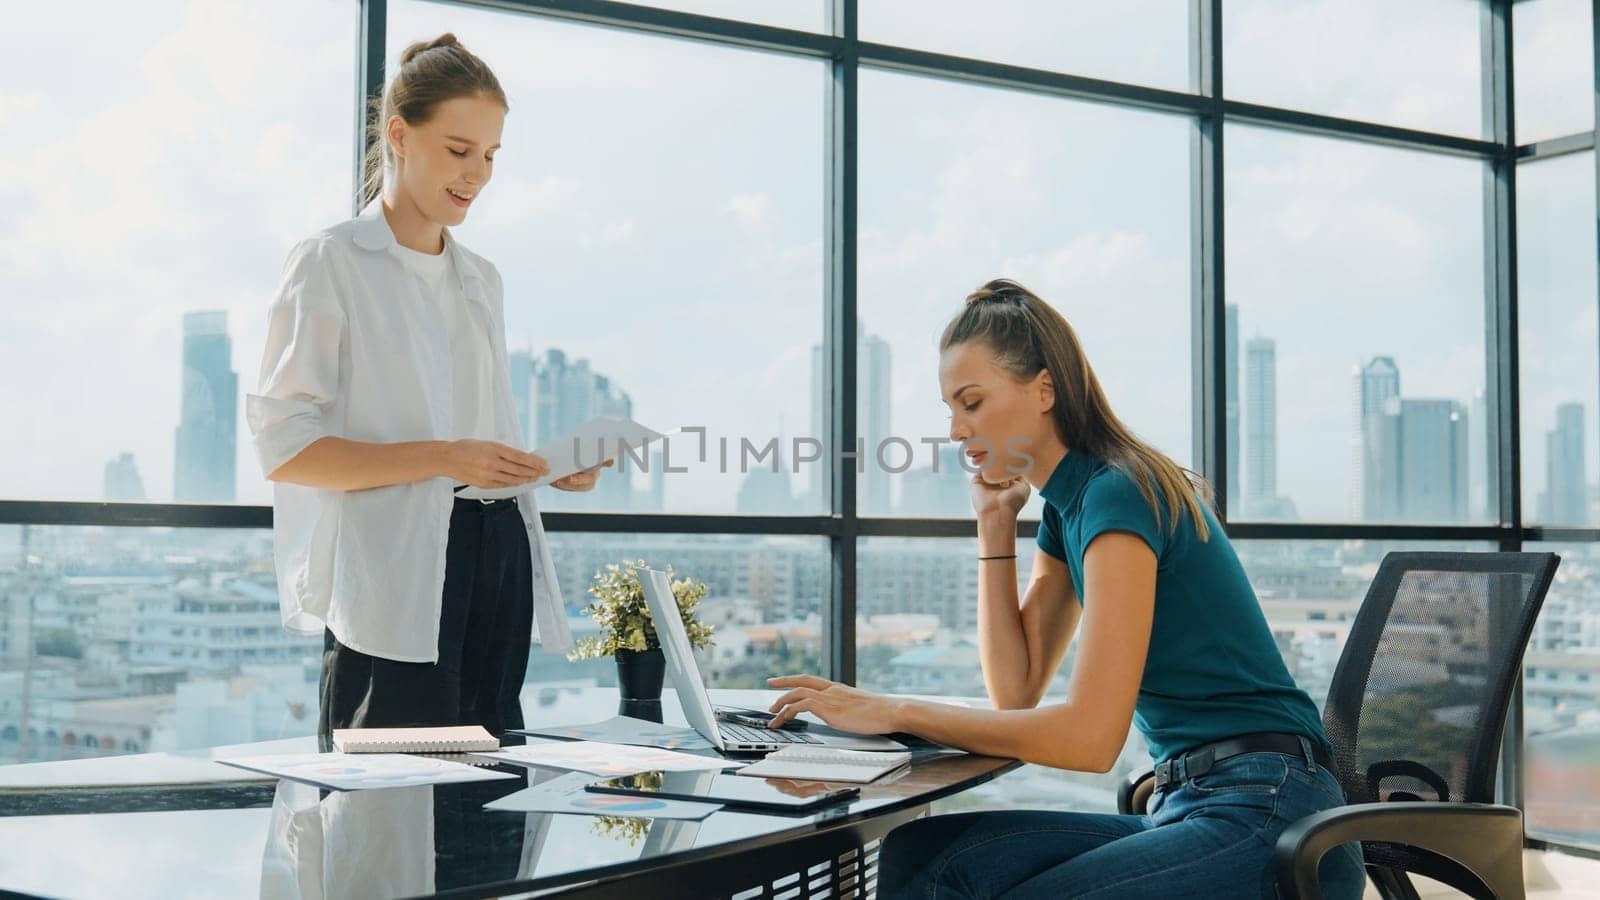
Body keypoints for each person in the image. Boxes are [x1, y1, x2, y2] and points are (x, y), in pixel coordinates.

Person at [765, 279, 1365, 898]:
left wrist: (893, 709)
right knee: (926, 857)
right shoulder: (1068, 508)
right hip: (1188, 801)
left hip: (1272, 812)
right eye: (950, 408)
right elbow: (1017, 693)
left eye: (971, 402)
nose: (955, 429)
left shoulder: (1118, 493)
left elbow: (1089, 738)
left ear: (1044, 389)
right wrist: (995, 525)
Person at [247, 33, 603, 745]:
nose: (478, 174)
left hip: (496, 557)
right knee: (382, 819)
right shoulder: (329, 262)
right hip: (397, 577)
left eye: (492, 156)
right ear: (400, 135)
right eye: (459, 150)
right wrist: (446, 456)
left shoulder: (481, 279)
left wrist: (532, 469)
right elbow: (287, 450)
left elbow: (469, 435)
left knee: (493, 814)